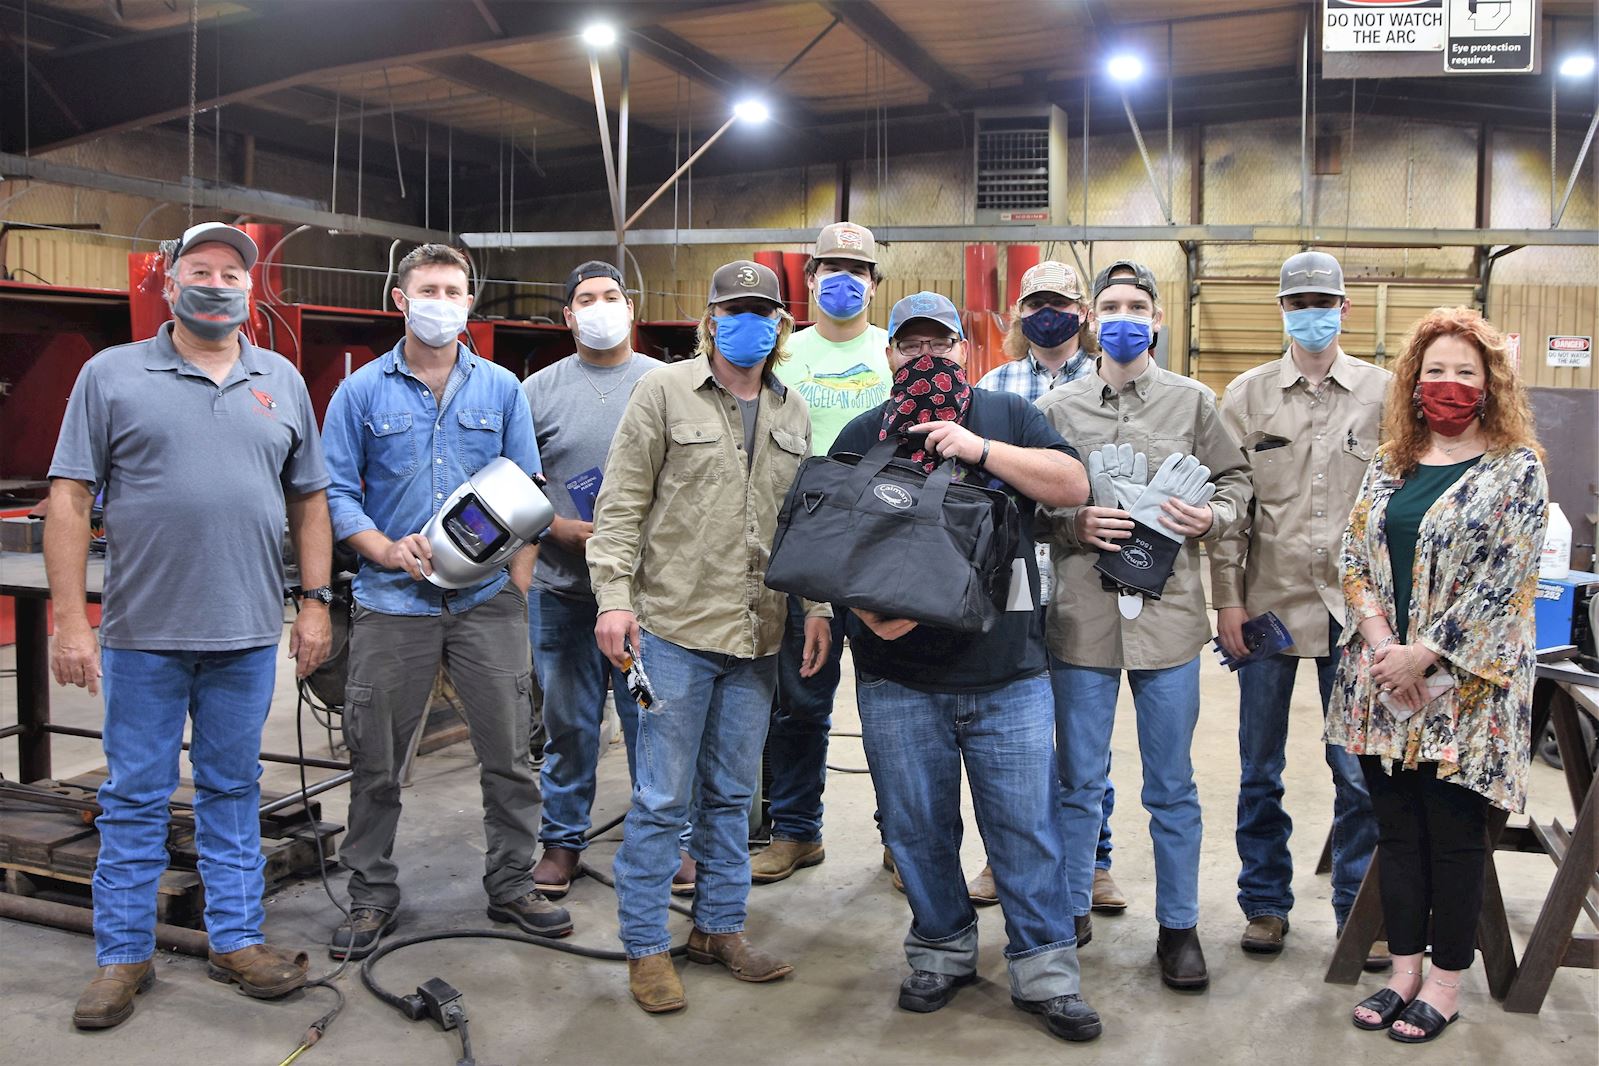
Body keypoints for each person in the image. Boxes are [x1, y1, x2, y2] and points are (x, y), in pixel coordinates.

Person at [46, 222, 332, 1027]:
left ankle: (236, 941)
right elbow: (69, 496)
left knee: (232, 791)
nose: (216, 283)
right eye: (198, 271)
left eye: (231, 272)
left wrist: (315, 602)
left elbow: (309, 498)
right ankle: (122, 957)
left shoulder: (280, 377)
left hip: (244, 632)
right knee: (135, 795)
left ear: (251, 290)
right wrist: (71, 622)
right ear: (168, 284)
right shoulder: (112, 374)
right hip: (143, 633)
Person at [835, 291, 1103, 1043]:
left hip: (1007, 670)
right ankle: (941, 951)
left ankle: (1044, 971)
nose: (925, 358)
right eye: (908, 345)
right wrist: (862, 612)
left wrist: (975, 448)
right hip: (897, 676)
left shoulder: (1007, 418)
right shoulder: (863, 432)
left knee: (1025, 829)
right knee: (917, 830)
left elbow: (1072, 487)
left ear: (965, 349)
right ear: (888, 354)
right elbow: (829, 543)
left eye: (939, 343)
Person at [588, 260, 831, 1014]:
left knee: (730, 795)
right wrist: (611, 600)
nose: (750, 323)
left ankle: (718, 928)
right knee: (662, 800)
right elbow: (621, 503)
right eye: (736, 309)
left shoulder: (792, 411)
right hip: (673, 628)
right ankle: (644, 947)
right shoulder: (661, 391)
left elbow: (804, 524)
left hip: (757, 634)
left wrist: (816, 608)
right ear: (711, 316)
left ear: (780, 325)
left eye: (763, 312)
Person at [322, 243, 568, 960]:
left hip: (488, 602)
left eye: (453, 289)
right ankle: (370, 894)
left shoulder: (499, 389)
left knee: (511, 754)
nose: (441, 300)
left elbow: (529, 491)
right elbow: (335, 492)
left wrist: (517, 581)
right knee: (377, 760)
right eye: (427, 288)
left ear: (469, 301)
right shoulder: (360, 392)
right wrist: (381, 548)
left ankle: (512, 882)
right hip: (392, 601)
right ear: (399, 300)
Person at [1330, 306, 1546, 1043]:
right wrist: (1383, 645)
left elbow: (1506, 578)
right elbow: (1352, 558)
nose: (1447, 384)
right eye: (1434, 372)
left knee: (1453, 838)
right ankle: (1403, 973)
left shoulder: (1514, 469)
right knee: (1394, 833)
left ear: (1489, 384)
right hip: (1382, 684)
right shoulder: (1392, 459)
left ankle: (1448, 982)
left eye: (1463, 372)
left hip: (1465, 693)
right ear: (1412, 382)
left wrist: (1425, 654)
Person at [1038, 260, 1250, 990]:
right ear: (1090, 319)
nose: (1124, 316)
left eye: (1137, 305)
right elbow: (1027, 500)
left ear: (1157, 320)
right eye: (1111, 305)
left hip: (1167, 626)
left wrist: (1211, 516)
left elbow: (1235, 480)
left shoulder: (1193, 403)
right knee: (1074, 780)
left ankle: (1179, 927)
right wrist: (1072, 520)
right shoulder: (1058, 408)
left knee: (1171, 785)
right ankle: (1068, 911)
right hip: (1081, 622)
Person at [1212, 251, 1391, 959]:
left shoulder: (1383, 393)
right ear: (1280, 310)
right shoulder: (1246, 397)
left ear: (1344, 308)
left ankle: (1357, 906)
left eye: (1323, 299)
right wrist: (1225, 602)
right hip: (1267, 608)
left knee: (1355, 769)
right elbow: (1228, 510)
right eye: (1297, 301)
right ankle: (1264, 903)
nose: (1310, 311)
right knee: (1259, 764)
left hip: (1356, 616)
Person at [971, 259, 1124, 914]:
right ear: (1018, 316)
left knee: (1083, 727)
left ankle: (1093, 859)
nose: (1046, 314)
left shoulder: (1104, 382)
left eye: (1059, 303)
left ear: (1081, 315)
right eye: (1035, 304)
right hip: (1011, 568)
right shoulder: (994, 384)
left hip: (1084, 570)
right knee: (1013, 718)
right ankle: (999, 854)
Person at [524, 262, 667, 900]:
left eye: (611, 296)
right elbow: (513, 485)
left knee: (652, 722)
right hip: (562, 592)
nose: (600, 306)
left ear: (629, 309)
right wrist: (554, 526)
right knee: (570, 724)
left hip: (649, 598)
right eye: (586, 299)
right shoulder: (537, 391)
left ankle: (663, 842)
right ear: (568, 317)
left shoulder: (668, 385)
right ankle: (562, 841)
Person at [754, 221, 891, 885]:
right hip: (805, 547)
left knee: (893, 703)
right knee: (801, 698)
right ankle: (795, 830)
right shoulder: (782, 356)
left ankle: (902, 838)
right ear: (807, 279)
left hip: (885, 551)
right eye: (829, 267)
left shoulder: (895, 353)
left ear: (873, 284)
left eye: (856, 269)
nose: (843, 279)